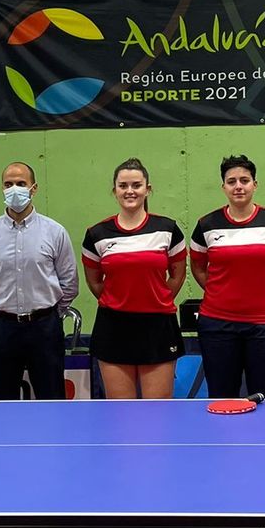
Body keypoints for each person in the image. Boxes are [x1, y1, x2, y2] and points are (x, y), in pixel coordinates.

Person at [189, 154, 265, 399]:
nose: (238, 186)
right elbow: (197, 267)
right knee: (221, 397)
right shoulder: (207, 224)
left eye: (244, 180)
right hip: (217, 325)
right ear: (223, 187)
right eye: (231, 181)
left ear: (254, 184)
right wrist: (219, 293)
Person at [0, 161, 79, 400]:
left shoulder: (55, 232)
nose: (14, 189)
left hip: (44, 328)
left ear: (34, 188)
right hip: (1, 328)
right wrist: (1, 312)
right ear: (2, 188)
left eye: (21, 183)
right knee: (2, 401)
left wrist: (49, 313)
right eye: (8, 184)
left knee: (52, 400)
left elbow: (69, 283)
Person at [81, 158, 187, 399]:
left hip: (158, 327)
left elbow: (178, 275)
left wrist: (155, 299)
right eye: (123, 185)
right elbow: (95, 282)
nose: (130, 191)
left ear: (147, 189)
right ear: (115, 190)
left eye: (136, 185)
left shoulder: (168, 229)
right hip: (113, 328)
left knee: (158, 414)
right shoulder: (96, 234)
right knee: (121, 413)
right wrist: (121, 301)